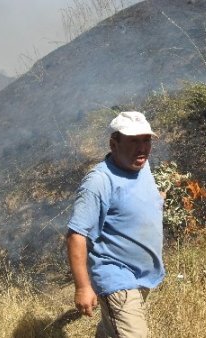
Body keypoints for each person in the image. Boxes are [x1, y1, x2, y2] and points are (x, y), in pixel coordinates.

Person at [66, 111, 165, 338]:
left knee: (113, 332)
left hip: (143, 275)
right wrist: (82, 287)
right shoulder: (99, 181)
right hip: (117, 276)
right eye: (133, 141)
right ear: (114, 144)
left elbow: (135, 200)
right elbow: (76, 236)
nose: (142, 148)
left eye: (146, 140)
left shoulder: (142, 166)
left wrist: (157, 201)